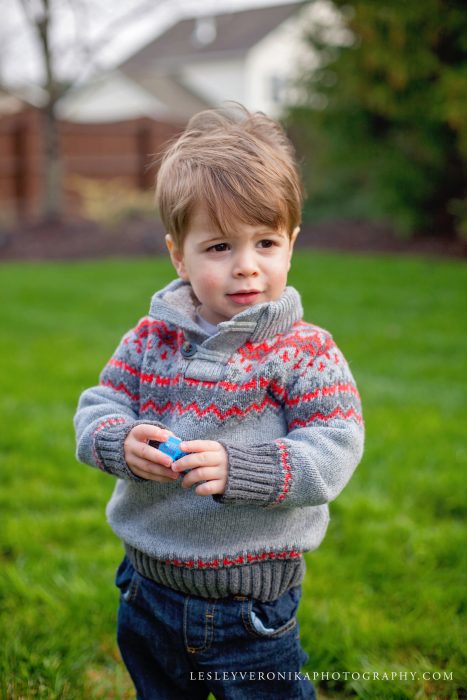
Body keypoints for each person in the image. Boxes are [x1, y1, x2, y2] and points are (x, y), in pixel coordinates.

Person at [74, 103, 364, 700]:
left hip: (251, 604)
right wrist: (118, 441)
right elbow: (100, 403)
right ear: (178, 254)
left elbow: (333, 447)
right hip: (148, 587)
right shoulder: (151, 339)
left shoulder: (303, 352)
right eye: (218, 247)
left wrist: (243, 469)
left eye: (266, 242)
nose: (246, 267)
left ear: (292, 245)